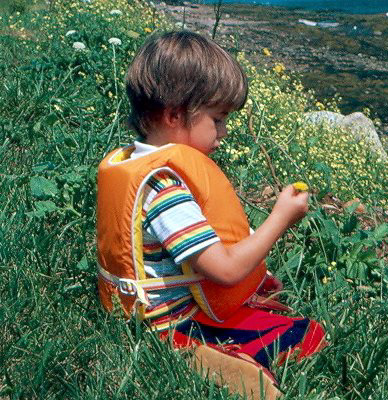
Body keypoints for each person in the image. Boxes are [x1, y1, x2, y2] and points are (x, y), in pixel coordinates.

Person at [96, 31, 325, 399]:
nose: (225, 132)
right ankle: (205, 357)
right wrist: (281, 217)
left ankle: (212, 354)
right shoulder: (165, 186)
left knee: (273, 313)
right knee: (306, 333)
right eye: (218, 120)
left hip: (132, 307)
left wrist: (256, 279)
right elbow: (226, 270)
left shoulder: (135, 163)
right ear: (174, 115)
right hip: (169, 320)